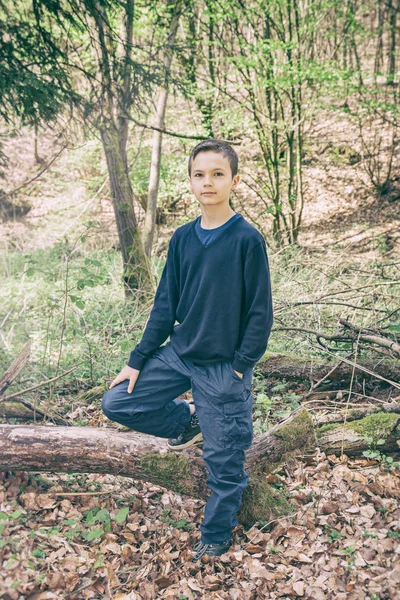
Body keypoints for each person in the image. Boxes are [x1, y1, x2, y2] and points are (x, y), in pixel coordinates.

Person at [102, 139, 274, 563]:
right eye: (200, 174)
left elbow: (260, 313)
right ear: (191, 182)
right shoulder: (182, 239)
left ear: (234, 180)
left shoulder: (247, 240)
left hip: (223, 369)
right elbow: (164, 305)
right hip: (180, 353)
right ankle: (187, 419)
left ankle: (216, 534)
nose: (208, 182)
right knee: (118, 402)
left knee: (225, 461)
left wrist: (240, 368)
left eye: (218, 174)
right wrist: (136, 359)